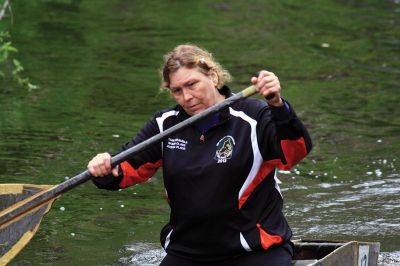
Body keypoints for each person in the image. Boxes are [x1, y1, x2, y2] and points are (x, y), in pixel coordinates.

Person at [87, 44, 312, 266]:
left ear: (213, 77)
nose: (186, 97)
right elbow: (124, 171)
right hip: (188, 252)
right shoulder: (165, 125)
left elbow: (293, 153)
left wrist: (277, 104)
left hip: (254, 251)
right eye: (177, 90)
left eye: (192, 84)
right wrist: (104, 168)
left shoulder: (253, 117)